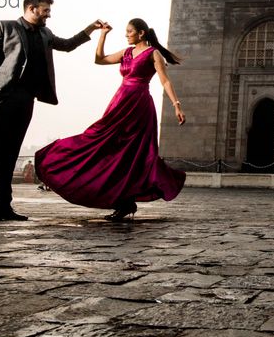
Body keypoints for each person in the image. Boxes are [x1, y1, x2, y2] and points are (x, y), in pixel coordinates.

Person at [0, 0, 104, 223]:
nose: (48, 15)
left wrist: (90, 29)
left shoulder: (45, 33)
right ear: (32, 8)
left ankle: (1, 207)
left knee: (9, 155)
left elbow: (68, 45)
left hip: (25, 100)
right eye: (45, 11)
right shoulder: (5, 27)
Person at [34, 18, 186, 221]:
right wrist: (102, 35)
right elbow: (100, 59)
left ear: (141, 33)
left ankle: (125, 202)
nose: (126, 34)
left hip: (139, 107)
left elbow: (165, 80)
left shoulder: (153, 54)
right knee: (101, 143)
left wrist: (176, 105)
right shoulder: (126, 53)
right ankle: (121, 200)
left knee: (131, 154)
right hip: (119, 103)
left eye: (129, 31)